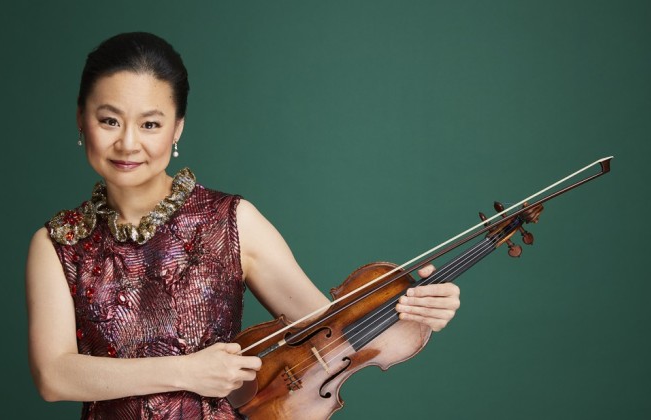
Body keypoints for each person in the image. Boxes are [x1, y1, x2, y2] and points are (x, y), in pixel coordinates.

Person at [25, 32, 461, 419]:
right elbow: (54, 375)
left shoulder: (232, 220)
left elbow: (332, 333)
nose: (128, 142)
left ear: (177, 129)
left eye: (151, 124)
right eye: (109, 120)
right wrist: (186, 371)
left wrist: (412, 311)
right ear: (81, 119)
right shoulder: (58, 243)